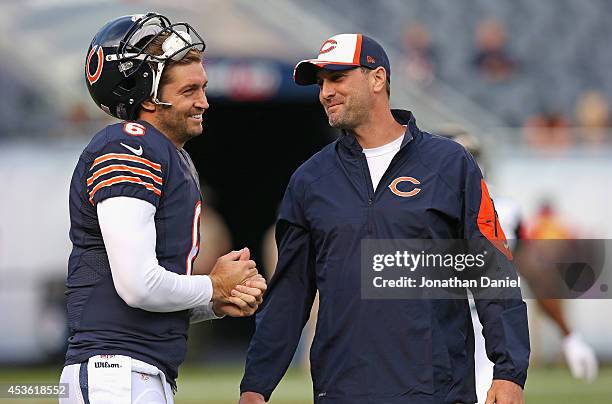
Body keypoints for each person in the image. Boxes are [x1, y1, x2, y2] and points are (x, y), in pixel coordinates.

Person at [239, 33, 530, 404]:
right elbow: (290, 294)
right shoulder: (310, 180)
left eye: (338, 78)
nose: (325, 92)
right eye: (321, 82)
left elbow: (491, 271)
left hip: (438, 391)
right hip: (342, 391)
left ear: (377, 79)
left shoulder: (450, 164)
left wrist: (508, 372)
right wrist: (255, 386)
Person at [60, 13, 266, 404]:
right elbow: (138, 286)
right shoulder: (129, 144)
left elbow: (152, 303)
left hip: (136, 372)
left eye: (203, 88)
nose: (204, 102)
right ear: (150, 94)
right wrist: (213, 284)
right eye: (190, 90)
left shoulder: (170, 155)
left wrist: (216, 301)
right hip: (114, 374)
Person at [440, 130, 599, 402]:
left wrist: (568, 335)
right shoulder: (408, 209)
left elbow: (536, 276)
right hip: (428, 331)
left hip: (480, 333)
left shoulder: (503, 211)